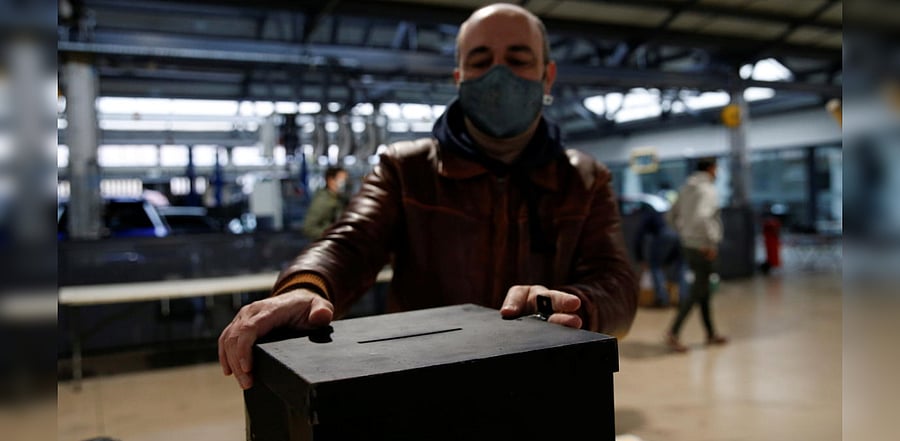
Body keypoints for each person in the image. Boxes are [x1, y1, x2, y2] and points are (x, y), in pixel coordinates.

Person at [219, 3, 638, 390]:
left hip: (544, 384)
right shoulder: (407, 168)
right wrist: (306, 287)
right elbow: (351, 242)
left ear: (547, 76)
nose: (499, 73)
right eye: (480, 61)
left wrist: (574, 304)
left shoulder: (583, 178)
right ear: (459, 79)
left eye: (517, 59)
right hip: (425, 384)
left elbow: (617, 284)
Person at [664, 157, 728, 352]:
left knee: (704, 289)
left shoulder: (686, 188)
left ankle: (710, 333)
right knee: (698, 290)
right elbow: (703, 216)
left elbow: (670, 215)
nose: (717, 172)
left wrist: (684, 233)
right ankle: (673, 332)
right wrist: (708, 243)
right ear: (711, 169)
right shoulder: (707, 190)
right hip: (702, 246)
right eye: (716, 168)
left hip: (688, 244)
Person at [633, 202, 687, 307]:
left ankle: (662, 299)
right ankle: (683, 299)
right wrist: (668, 260)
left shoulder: (647, 216)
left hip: (664, 234)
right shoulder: (660, 214)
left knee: (655, 266)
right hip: (680, 235)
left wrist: (640, 259)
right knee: (681, 265)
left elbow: (638, 239)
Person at [301, 166, 349, 239]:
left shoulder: (341, 199)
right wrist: (333, 234)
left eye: (346, 180)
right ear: (330, 180)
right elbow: (308, 228)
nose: (345, 183)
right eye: (342, 180)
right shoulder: (322, 201)